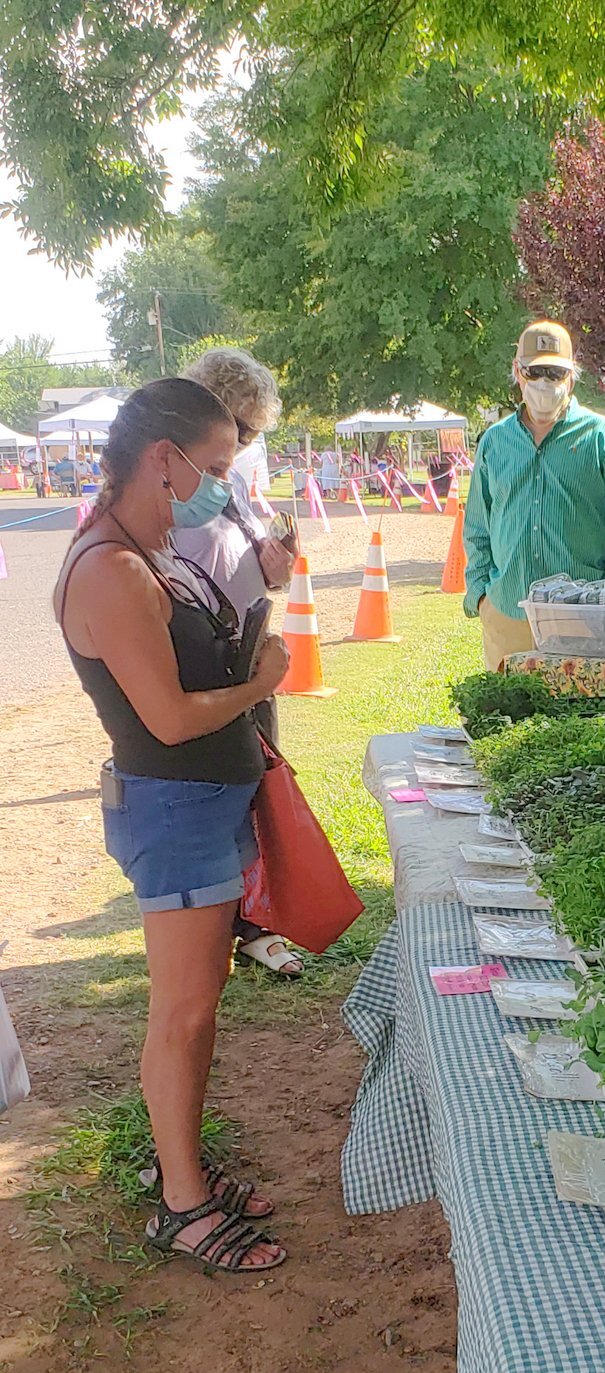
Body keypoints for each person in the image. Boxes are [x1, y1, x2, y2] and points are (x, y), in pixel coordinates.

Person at [54, 378, 288, 1272]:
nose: (221, 487)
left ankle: (182, 1167)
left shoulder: (138, 553)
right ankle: (182, 1204)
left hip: (198, 804)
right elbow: (170, 719)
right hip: (175, 803)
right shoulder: (110, 568)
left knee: (198, 1007)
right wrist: (260, 685)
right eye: (216, 468)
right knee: (182, 1013)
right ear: (166, 462)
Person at [176, 347, 303, 980]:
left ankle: (251, 920)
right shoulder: (181, 490)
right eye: (239, 427)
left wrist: (272, 563)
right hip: (218, 664)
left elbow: (238, 569)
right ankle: (235, 924)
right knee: (227, 796)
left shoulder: (226, 482)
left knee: (255, 789)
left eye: (252, 432)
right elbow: (195, 585)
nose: (246, 441)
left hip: (249, 659)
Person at [462, 320, 605, 671]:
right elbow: (477, 528)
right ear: (518, 372)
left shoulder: (602, 436)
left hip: (583, 618)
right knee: (508, 720)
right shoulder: (494, 442)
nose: (545, 383)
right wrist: (481, 596)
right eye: (536, 372)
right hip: (506, 612)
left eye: (555, 372)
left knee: (577, 720)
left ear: (572, 377)